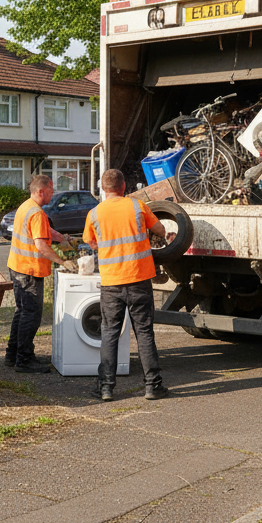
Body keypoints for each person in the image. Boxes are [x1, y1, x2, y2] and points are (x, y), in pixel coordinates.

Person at [83, 169, 168, 402]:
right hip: (139, 279)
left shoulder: (94, 213)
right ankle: (153, 386)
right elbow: (160, 229)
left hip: (111, 283)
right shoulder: (137, 206)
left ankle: (106, 388)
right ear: (123, 187)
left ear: (103, 188)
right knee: (144, 333)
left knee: (109, 333)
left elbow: (91, 241)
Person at [5, 174, 73, 373]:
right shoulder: (37, 213)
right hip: (29, 270)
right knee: (31, 315)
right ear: (41, 191)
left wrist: (61, 237)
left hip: (17, 266)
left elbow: (43, 232)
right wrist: (62, 261)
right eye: (51, 190)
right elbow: (41, 245)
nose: (53, 193)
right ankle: (24, 360)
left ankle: (12, 354)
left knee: (21, 312)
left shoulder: (26, 207)